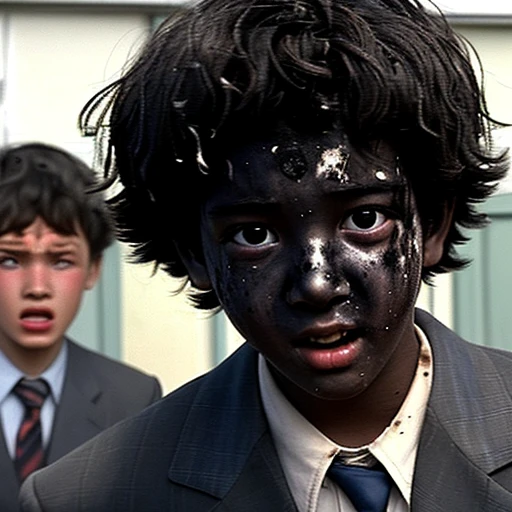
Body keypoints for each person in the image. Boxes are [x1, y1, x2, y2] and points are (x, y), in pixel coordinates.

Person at [20, 0, 512, 510]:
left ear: (433, 223)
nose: (317, 284)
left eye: (364, 220)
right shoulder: (88, 497)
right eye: (254, 234)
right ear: (195, 252)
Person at [0, 142, 162, 512]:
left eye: (61, 261)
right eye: (10, 259)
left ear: (93, 269)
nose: (37, 288)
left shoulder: (134, 399)